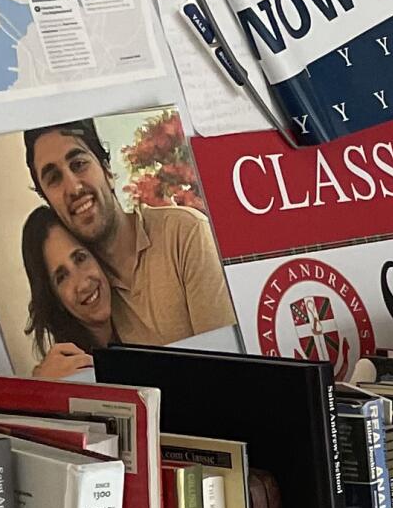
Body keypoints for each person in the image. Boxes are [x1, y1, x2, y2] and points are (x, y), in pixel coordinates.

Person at [25, 119, 235, 348]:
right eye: (54, 179)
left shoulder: (184, 233)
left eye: (78, 164)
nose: (74, 188)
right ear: (49, 202)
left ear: (107, 171)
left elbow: (226, 359)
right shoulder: (92, 295)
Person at [19, 204, 116, 379]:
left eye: (80, 258)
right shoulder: (67, 371)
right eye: (62, 277)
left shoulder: (147, 320)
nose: (83, 284)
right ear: (55, 299)